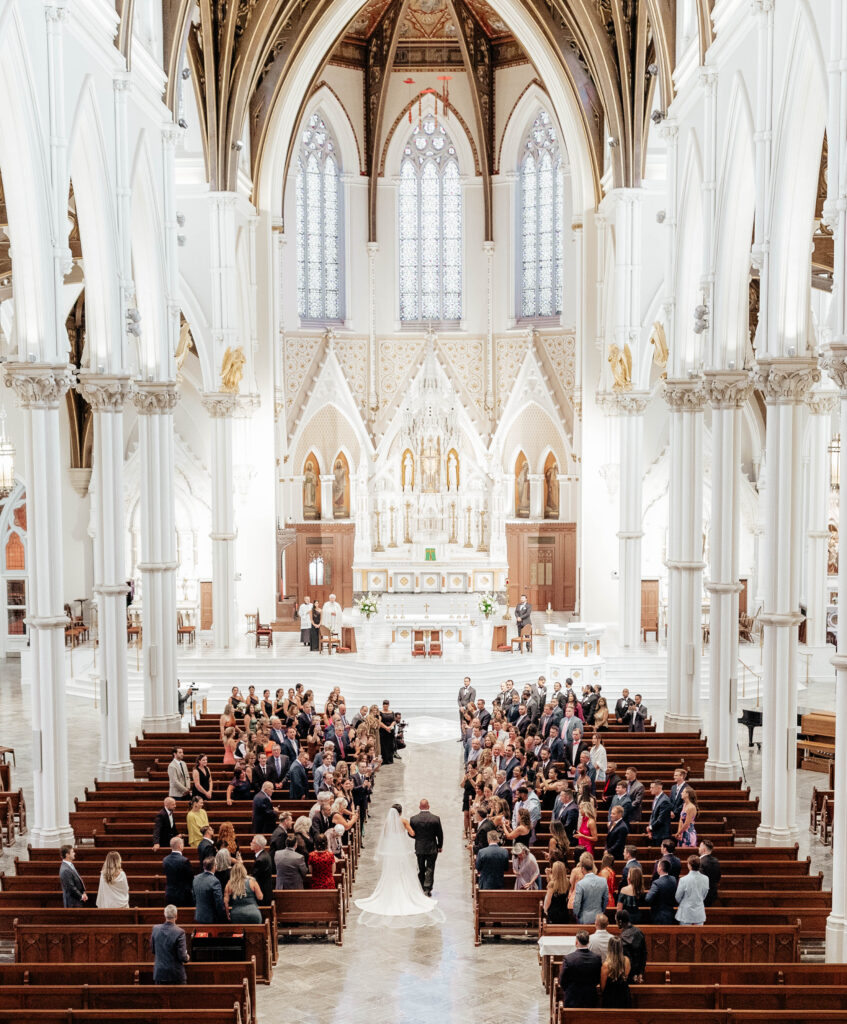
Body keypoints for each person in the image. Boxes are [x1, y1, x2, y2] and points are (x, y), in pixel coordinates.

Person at [354, 804, 446, 927]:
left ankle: (391, 888)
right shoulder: (403, 821)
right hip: (400, 849)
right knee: (403, 869)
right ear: (400, 812)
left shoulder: (387, 822)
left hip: (391, 849)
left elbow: (385, 835)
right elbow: (412, 833)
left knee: (391, 869)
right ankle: (415, 889)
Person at [557, 930, 602, 1008]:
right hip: (590, 996)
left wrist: (569, 989)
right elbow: (597, 978)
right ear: (588, 942)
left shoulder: (569, 958)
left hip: (573, 997)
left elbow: (563, 980)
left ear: (576, 942)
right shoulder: (597, 958)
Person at [409, 798, 443, 896]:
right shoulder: (435, 819)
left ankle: (422, 885)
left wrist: (417, 837)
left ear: (420, 807)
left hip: (419, 847)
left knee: (421, 867)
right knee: (430, 868)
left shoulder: (413, 819)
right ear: (428, 806)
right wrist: (440, 846)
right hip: (432, 847)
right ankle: (427, 888)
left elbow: (411, 834)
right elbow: (439, 834)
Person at [151, 905, 189, 984]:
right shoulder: (180, 932)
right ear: (176, 916)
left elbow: (153, 950)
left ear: (165, 915)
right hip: (175, 975)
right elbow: (182, 957)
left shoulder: (155, 929)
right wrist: (187, 957)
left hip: (160, 974)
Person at [572, 852, 609, 925]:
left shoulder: (580, 884)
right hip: (599, 915)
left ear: (582, 869)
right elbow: (606, 899)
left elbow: (577, 903)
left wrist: (576, 914)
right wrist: (602, 911)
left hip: (584, 917)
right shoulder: (603, 881)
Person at [675, 855, 709, 924]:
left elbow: (678, 897)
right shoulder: (706, 879)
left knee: (685, 934)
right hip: (699, 911)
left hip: (686, 912)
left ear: (689, 865)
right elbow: (704, 895)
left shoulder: (683, 880)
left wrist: (685, 902)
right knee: (698, 933)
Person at [600, 934, 632, 1008]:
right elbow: (626, 975)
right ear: (621, 947)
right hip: (623, 993)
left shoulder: (606, 965)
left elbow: (603, 986)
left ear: (609, 947)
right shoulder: (626, 960)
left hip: (610, 996)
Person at [616, 908, 647, 982]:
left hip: (628, 974)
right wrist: (640, 972)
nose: (616, 923)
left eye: (616, 920)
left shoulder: (623, 938)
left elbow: (627, 959)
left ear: (620, 921)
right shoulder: (639, 931)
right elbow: (644, 953)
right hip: (638, 972)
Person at [163, 837, 195, 907]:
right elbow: (191, 878)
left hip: (170, 893)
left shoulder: (165, 860)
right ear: (180, 846)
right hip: (183, 895)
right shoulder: (185, 861)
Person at [194, 855, 226, 923]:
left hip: (199, 915)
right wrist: (223, 917)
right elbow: (219, 902)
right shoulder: (215, 881)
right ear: (214, 866)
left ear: (204, 866)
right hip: (211, 917)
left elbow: (194, 897)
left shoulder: (196, 878)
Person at [644, 857, 677, 924]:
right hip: (670, 912)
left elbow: (648, 899)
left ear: (660, 868)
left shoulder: (657, 883)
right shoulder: (673, 880)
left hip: (659, 915)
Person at [646, 779, 672, 844]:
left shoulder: (664, 800)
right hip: (655, 832)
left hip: (661, 834)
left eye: (652, 787)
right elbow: (653, 815)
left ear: (659, 787)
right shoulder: (656, 798)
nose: (650, 789)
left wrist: (650, 827)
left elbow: (661, 819)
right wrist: (650, 827)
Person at [250, 834, 274, 904]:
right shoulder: (265, 855)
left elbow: (254, 877)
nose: (250, 843)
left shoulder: (260, 860)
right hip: (266, 891)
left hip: (263, 893)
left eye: (253, 842)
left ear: (258, 846)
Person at [699, 839, 722, 906]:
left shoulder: (700, 862)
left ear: (704, 849)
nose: (698, 848)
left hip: (702, 894)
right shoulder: (716, 861)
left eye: (700, 846)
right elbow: (718, 876)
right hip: (713, 892)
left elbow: (700, 879)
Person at [378, 700, 396, 765]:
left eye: (386, 704)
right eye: (384, 704)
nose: (385, 705)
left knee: (390, 745)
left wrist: (390, 726)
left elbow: (394, 721)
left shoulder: (392, 712)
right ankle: (384, 760)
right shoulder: (380, 712)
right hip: (383, 731)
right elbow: (379, 722)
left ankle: (390, 760)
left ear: (388, 705)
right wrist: (386, 728)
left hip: (390, 731)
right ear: (382, 705)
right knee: (383, 746)